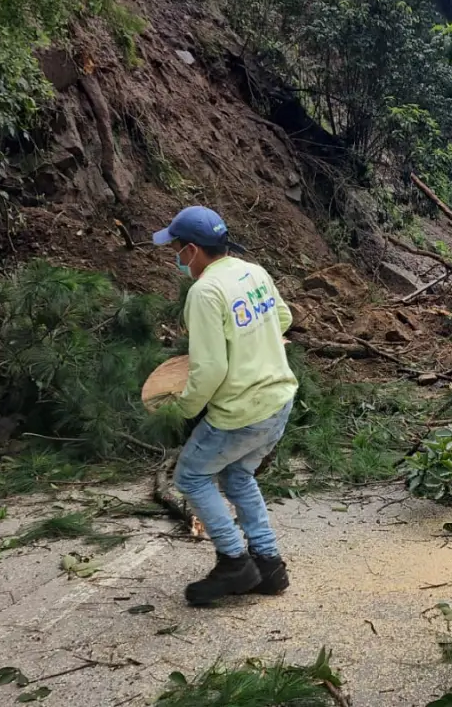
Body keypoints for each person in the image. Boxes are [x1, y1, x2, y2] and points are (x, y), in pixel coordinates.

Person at [153, 205, 298, 605]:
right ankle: (269, 566)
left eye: (178, 249)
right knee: (238, 477)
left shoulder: (205, 292)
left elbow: (211, 368)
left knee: (192, 477)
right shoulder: (253, 271)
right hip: (279, 400)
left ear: (194, 251)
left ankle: (234, 561)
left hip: (241, 412)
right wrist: (251, 341)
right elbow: (282, 318)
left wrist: (179, 410)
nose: (177, 257)